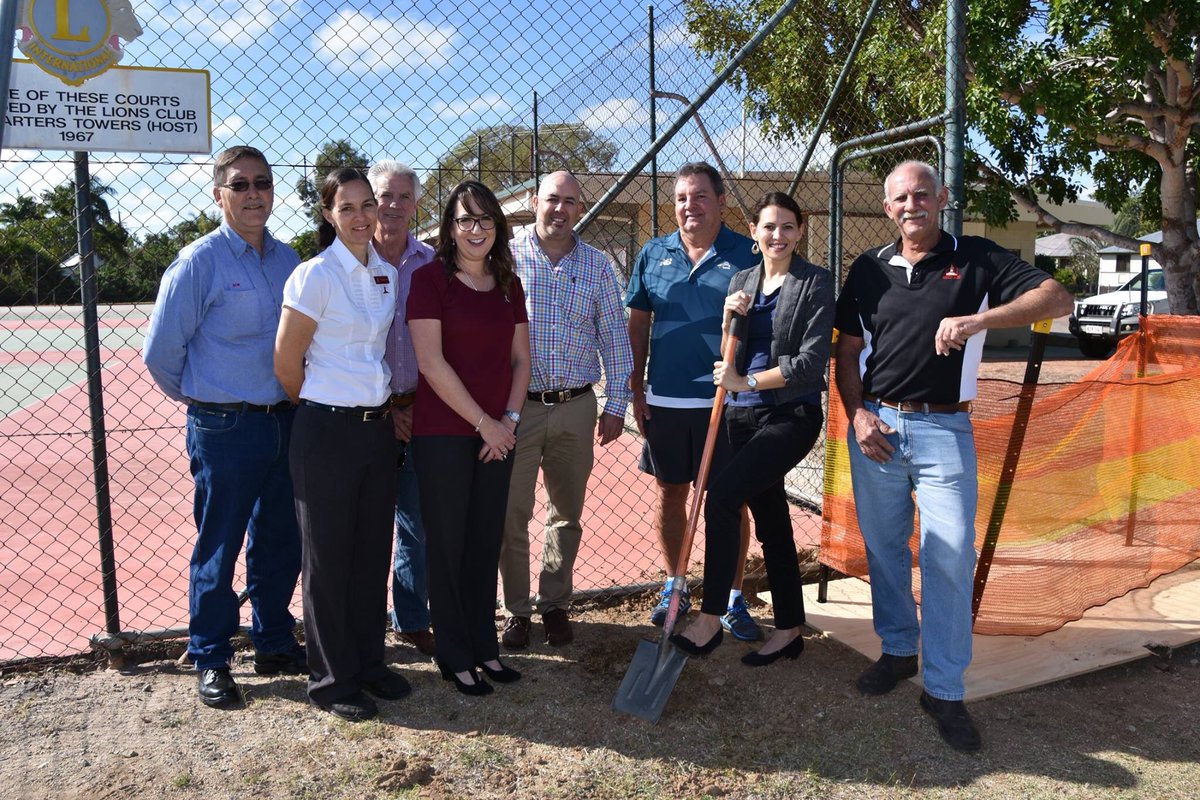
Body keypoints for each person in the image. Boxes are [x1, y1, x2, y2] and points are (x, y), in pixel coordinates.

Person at [834, 161, 1074, 752]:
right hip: (877, 429)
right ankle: (897, 650)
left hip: (945, 432)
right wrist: (857, 414)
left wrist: (977, 319)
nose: (911, 204)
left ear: (941, 197)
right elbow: (847, 350)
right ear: (887, 208)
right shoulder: (866, 270)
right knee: (885, 548)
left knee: (947, 556)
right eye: (899, 198)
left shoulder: (979, 257)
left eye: (921, 194)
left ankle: (943, 687)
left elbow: (1057, 297)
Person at [143, 145, 306, 709]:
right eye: (240, 185)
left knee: (281, 542)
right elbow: (162, 354)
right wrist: (207, 404)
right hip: (225, 428)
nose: (254, 193)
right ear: (219, 195)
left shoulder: (289, 262)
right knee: (220, 545)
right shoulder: (198, 262)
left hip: (284, 422)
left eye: (262, 182)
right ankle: (212, 655)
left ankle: (274, 642)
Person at [670, 192, 833, 665]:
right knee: (773, 521)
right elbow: (728, 352)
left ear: (800, 231)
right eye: (768, 227)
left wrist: (746, 380)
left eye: (786, 227)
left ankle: (709, 618)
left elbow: (809, 362)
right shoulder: (743, 279)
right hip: (743, 414)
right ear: (755, 232)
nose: (777, 236)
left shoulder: (815, 283)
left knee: (722, 496)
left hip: (791, 414)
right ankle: (789, 629)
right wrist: (729, 318)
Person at [275, 167, 411, 722]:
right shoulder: (313, 276)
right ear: (328, 214)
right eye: (347, 207)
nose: (361, 217)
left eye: (367, 206)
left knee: (370, 551)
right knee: (328, 559)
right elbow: (287, 362)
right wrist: (323, 407)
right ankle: (331, 680)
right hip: (325, 431)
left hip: (376, 432)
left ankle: (367, 663)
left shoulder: (386, 273)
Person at [624, 162, 761, 639]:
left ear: (721, 201)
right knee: (670, 493)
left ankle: (732, 597)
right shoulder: (652, 253)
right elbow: (637, 324)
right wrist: (635, 387)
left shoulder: (748, 254)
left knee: (730, 500)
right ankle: (674, 583)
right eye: (682, 197)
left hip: (726, 404)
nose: (690, 206)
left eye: (700, 196)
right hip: (665, 400)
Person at [498, 171, 633, 650]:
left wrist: (617, 405)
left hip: (577, 406)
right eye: (551, 199)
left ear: (580, 207)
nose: (559, 209)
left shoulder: (597, 266)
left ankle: (554, 604)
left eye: (569, 202)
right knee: (511, 515)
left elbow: (615, 340)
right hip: (517, 410)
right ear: (534, 201)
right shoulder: (504, 257)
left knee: (566, 514)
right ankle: (515, 612)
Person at [408, 180, 531, 696]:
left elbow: (522, 360)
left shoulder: (509, 283)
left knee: (484, 543)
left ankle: (485, 648)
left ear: (498, 227)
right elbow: (431, 363)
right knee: (448, 546)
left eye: (485, 220)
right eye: (465, 220)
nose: (475, 229)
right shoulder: (428, 279)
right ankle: (455, 655)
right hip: (444, 435)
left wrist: (508, 422)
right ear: (449, 228)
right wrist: (486, 423)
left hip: (498, 436)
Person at [368, 160, 437, 658]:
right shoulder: (347, 259)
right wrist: (388, 408)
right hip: (365, 417)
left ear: (415, 204)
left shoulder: (432, 263)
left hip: (422, 414)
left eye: (401, 197)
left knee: (417, 524)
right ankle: (364, 623)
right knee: (367, 525)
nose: (392, 205)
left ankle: (412, 620)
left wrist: (416, 407)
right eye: (382, 196)